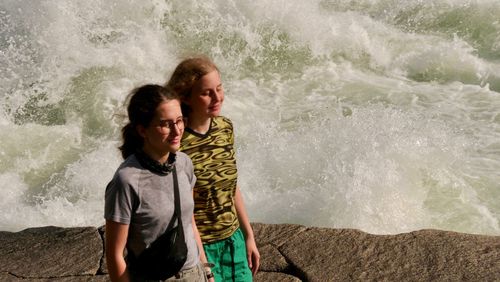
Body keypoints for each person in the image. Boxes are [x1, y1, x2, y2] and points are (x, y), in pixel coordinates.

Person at [104, 84, 215, 282]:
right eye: (165, 124)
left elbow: (189, 223)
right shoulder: (127, 180)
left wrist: (207, 272)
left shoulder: (184, 163)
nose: (176, 130)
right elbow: (115, 255)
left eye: (180, 121)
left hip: (194, 275)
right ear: (142, 130)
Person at [166, 56, 260, 282]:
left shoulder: (224, 128)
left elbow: (232, 187)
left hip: (234, 241)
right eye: (206, 93)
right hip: (201, 248)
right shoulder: (179, 144)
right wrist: (202, 263)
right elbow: (183, 212)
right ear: (185, 97)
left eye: (219, 88)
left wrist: (248, 236)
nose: (217, 97)